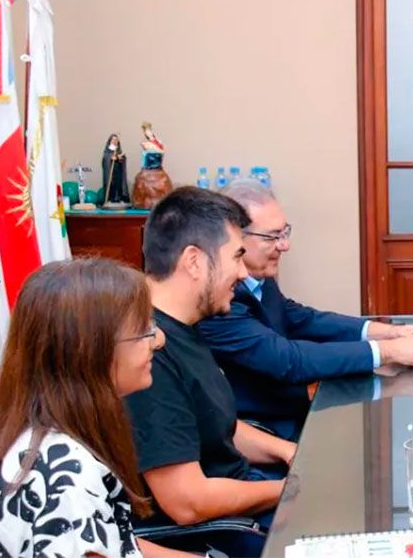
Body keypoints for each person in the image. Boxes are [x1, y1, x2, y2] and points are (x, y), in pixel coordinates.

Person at [0, 259, 187, 558]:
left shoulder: (43, 433)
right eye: (144, 329)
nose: (158, 340)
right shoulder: (66, 473)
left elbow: (114, 542)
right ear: (91, 350)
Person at [199, 180, 413, 439]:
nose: (284, 245)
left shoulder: (259, 277)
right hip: (261, 430)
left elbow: (301, 319)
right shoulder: (220, 300)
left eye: (285, 233)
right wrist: (389, 351)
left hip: (292, 410)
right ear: (236, 236)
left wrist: (390, 332)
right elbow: (288, 360)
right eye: (272, 237)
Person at [124, 187, 295, 557]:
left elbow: (214, 424)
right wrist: (291, 489)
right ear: (194, 261)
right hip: (218, 530)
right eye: (236, 257)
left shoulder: (184, 325)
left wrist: (290, 452)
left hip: (243, 492)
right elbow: (188, 502)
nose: (243, 272)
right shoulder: (146, 356)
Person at [101, 133, 130, 206]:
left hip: (118, 171)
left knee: (118, 184)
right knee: (111, 184)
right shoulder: (107, 151)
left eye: (116, 140)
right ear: (110, 141)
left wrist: (120, 158)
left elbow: (122, 158)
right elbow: (106, 158)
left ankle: (118, 198)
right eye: (113, 139)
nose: (114, 141)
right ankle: (110, 199)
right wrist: (111, 158)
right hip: (110, 172)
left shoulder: (118, 150)